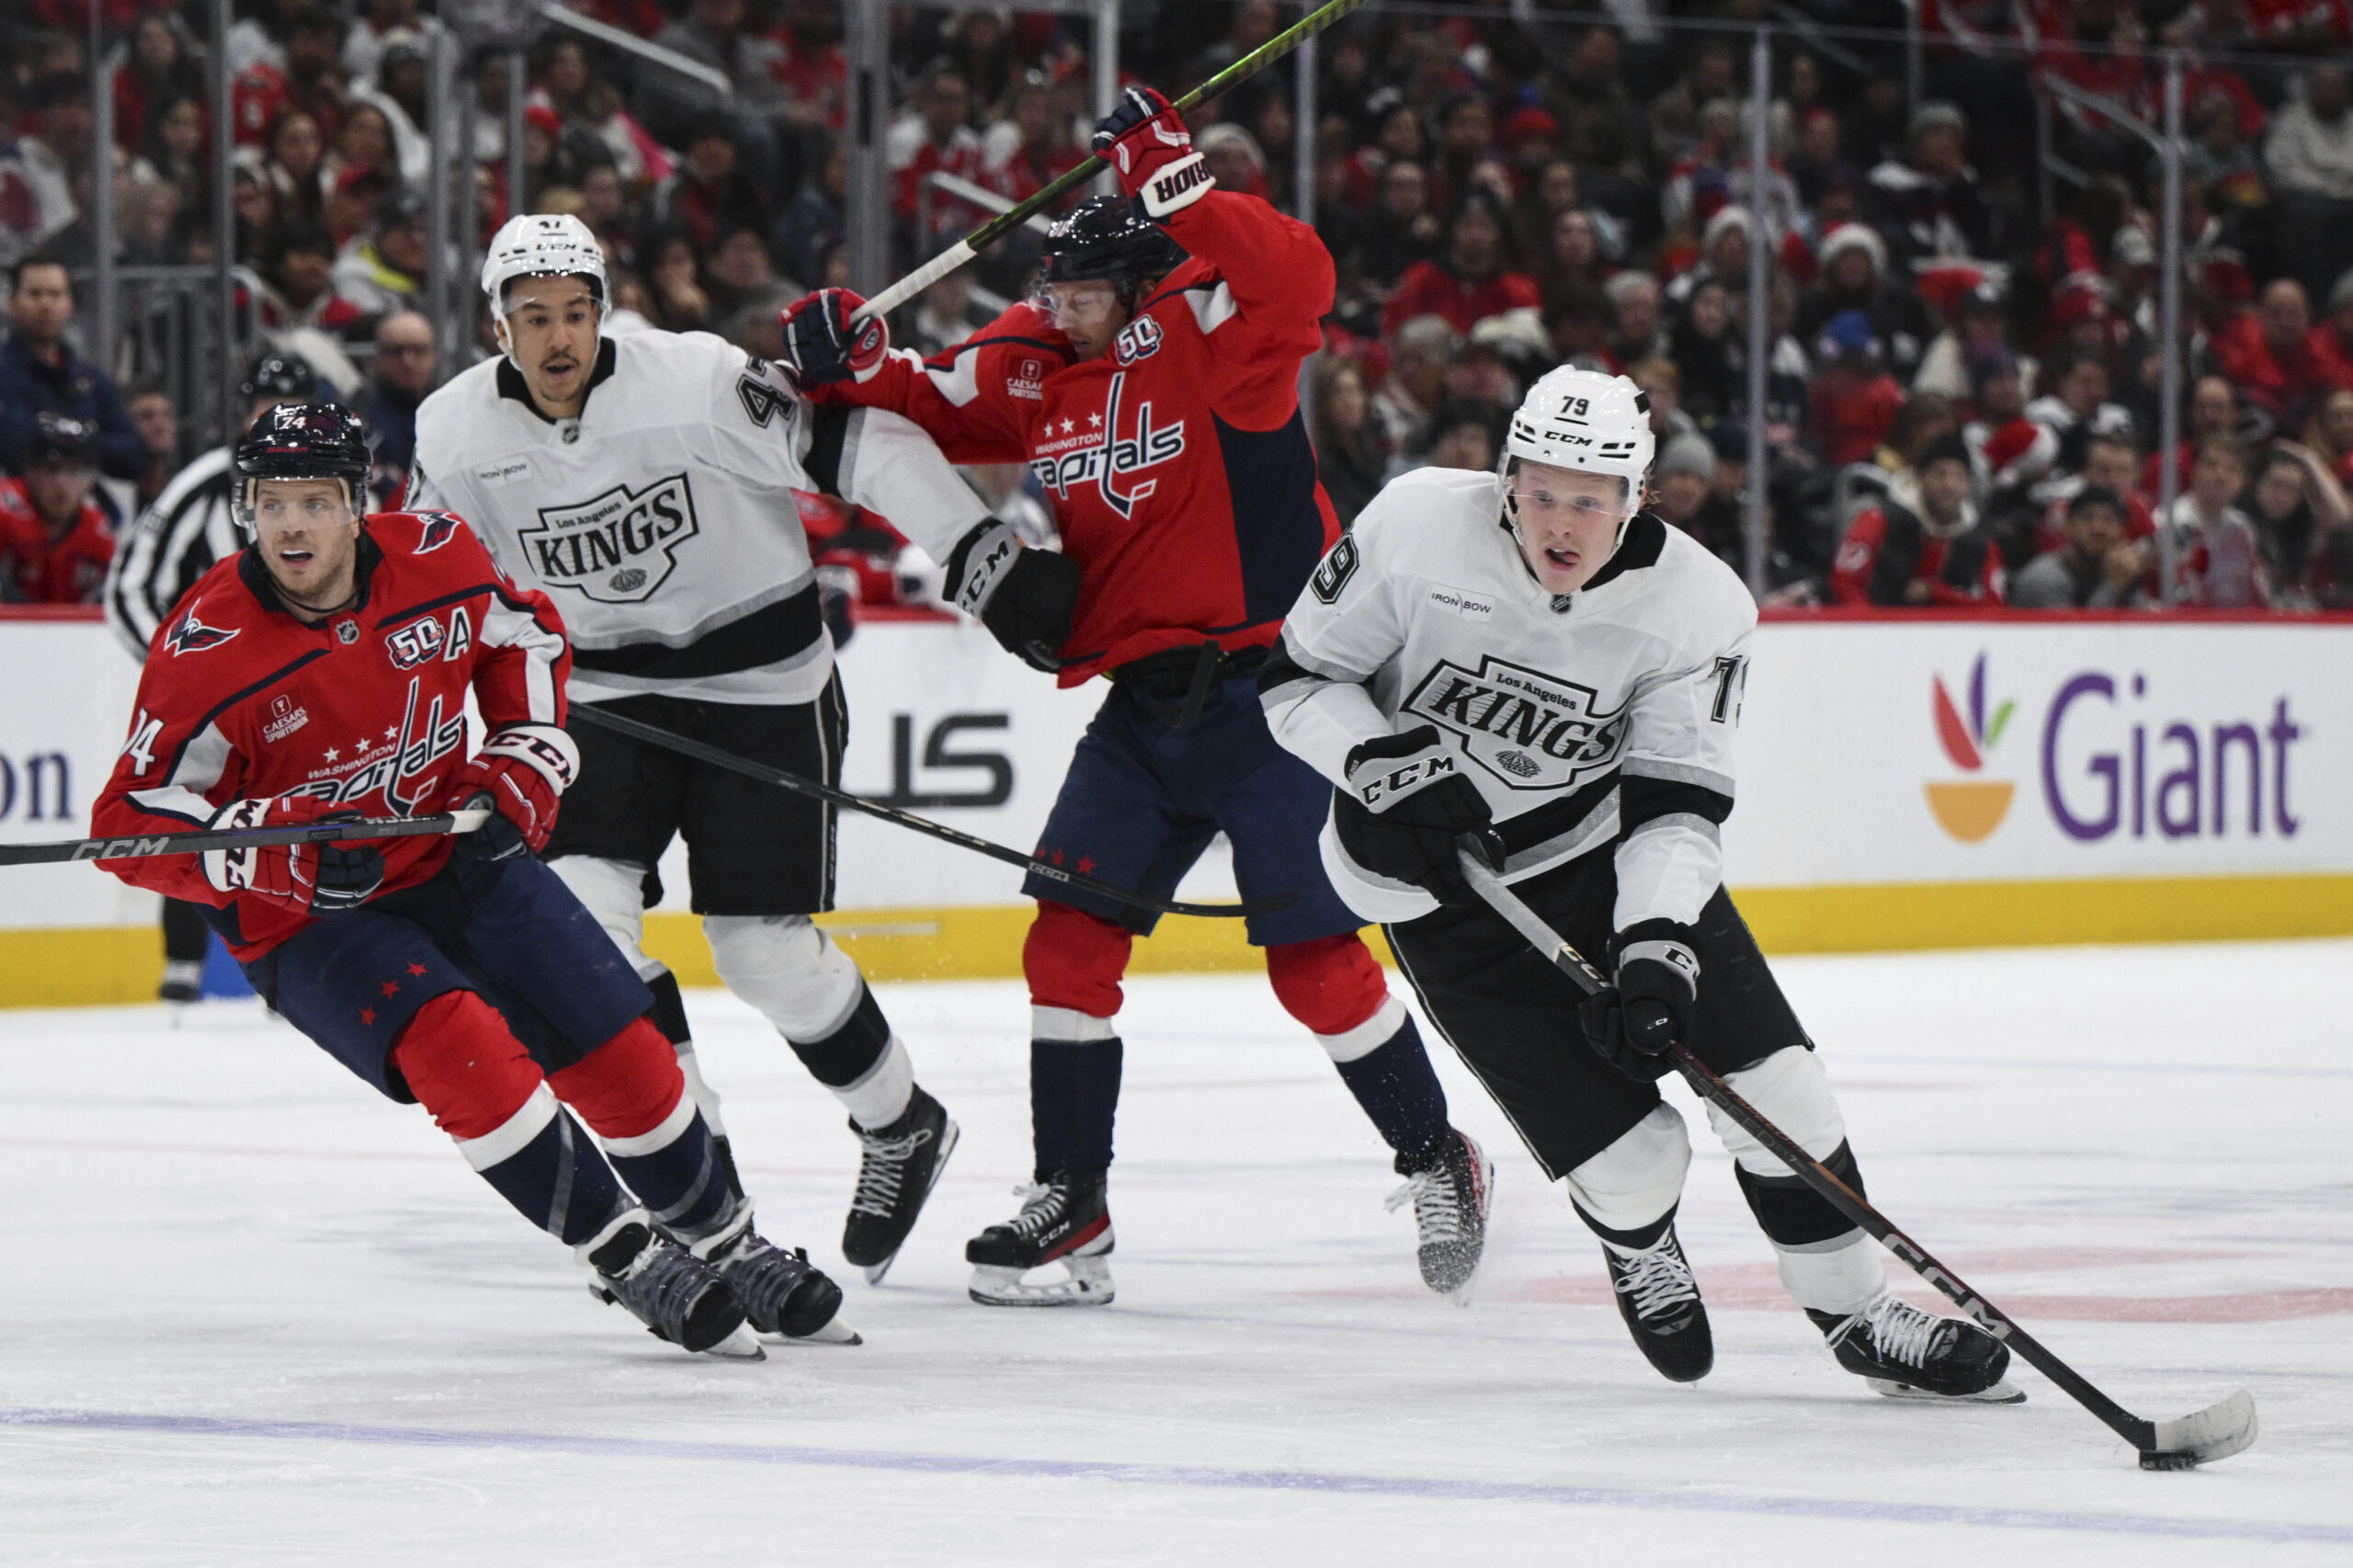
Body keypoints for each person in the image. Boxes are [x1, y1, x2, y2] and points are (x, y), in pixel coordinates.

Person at [783, 87, 1487, 1308]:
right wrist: (846, 352)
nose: (1057, 310)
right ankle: (1075, 1204)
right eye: (1049, 290)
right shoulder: (1038, 364)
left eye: (1080, 293)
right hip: (1143, 711)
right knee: (1064, 943)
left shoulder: (1218, 347)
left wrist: (1191, 190)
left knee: (1317, 964)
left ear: (1145, 280)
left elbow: (1300, 280)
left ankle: (1438, 1156)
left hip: (1277, 691)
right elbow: (920, 401)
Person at [1257, 366, 2019, 1403]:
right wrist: (1385, 765)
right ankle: (1637, 1239)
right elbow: (1299, 680)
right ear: (1506, 475)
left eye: (1590, 498)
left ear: (1637, 496)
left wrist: (1656, 944)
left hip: (1608, 860)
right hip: (1450, 900)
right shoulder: (1414, 526)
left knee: (1778, 1091)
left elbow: (1673, 806)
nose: (1560, 522)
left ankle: (1856, 1314)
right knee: (1630, 1163)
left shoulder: (1699, 604)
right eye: (1540, 491)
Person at [88, 403, 850, 1357]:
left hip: (454, 852)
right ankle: (624, 1253)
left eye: (314, 502)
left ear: (357, 505)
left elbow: (524, 639)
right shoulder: (205, 648)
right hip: (309, 918)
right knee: (463, 1047)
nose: (290, 526)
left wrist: (526, 757)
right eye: (271, 503)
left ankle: (728, 1241)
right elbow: (128, 823)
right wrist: (268, 846)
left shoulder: (438, 559)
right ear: (245, 508)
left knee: (623, 1044)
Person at [409, 214, 987, 1284]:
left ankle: (900, 1122)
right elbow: (425, 594)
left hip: (760, 689)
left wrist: (976, 546)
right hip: (604, 703)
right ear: (497, 326)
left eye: (575, 313)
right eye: (533, 318)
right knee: (584, 938)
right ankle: (694, 1182)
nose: (558, 339)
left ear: (602, 311)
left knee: (759, 951)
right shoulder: (452, 434)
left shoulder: (697, 381)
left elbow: (858, 444)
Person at [103, 351, 330, 1005]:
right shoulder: (205, 482)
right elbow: (131, 584)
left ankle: (303, 966)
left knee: (298, 817)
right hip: (212, 699)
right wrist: (181, 675)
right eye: (264, 406)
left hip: (303, 694)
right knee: (189, 810)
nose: (276, 421)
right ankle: (182, 961)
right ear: (243, 410)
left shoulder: (337, 486)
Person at [0, 255, 145, 481]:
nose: (45, 304)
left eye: (56, 294)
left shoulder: (91, 380)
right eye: (34, 294)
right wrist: (83, 437)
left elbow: (133, 455)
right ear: (12, 304)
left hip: (84, 509)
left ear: (70, 305)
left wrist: (61, 436)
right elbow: (14, 447)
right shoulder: (5, 376)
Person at [1830, 434, 2005, 606]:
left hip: (1949, 630)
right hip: (1882, 622)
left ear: (1969, 484)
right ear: (1920, 478)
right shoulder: (1878, 520)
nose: (1949, 485)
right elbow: (1844, 583)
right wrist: (1874, 625)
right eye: (1939, 474)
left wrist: (1934, 593)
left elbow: (1994, 604)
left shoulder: (1979, 538)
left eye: (1959, 476)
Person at [0, 412, 114, 603]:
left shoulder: (99, 533)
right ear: (29, 472)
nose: (61, 483)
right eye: (51, 469)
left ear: (92, 479)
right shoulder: (5, 510)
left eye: (75, 471)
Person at [2009, 485, 2145, 608]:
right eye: (2087, 518)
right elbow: (2076, 634)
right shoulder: (2043, 578)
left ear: (2121, 529)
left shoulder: (2116, 568)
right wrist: (2112, 587)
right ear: (2067, 525)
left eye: (2109, 519)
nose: (2098, 528)